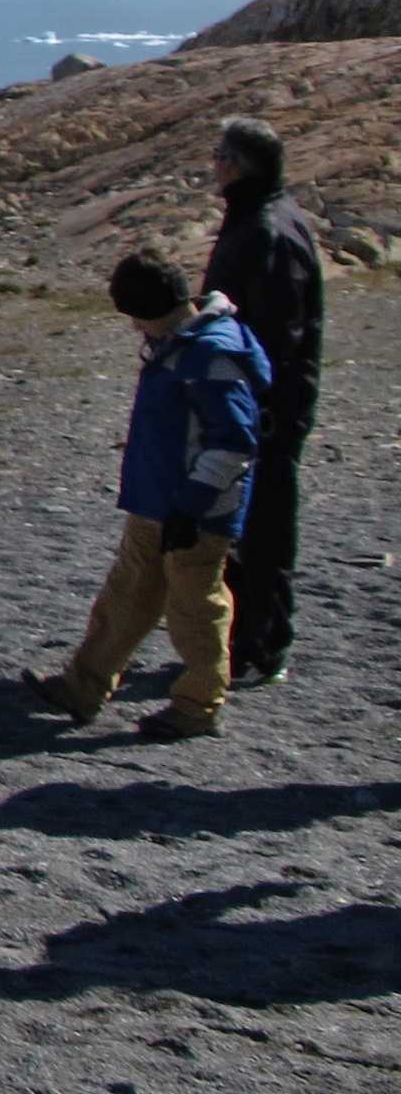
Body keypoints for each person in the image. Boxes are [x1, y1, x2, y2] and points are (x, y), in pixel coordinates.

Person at [27, 252, 271, 742]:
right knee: (127, 596)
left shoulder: (209, 355)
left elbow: (234, 441)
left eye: (135, 316)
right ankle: (83, 686)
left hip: (194, 513)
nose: (135, 327)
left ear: (148, 308)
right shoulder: (181, 347)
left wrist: (194, 504)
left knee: (195, 608)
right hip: (158, 502)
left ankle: (199, 704)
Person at [200, 116, 323, 687]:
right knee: (241, 524)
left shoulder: (268, 230)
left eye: (221, 153)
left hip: (263, 407)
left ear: (239, 166)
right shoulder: (256, 219)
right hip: (251, 400)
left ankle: (262, 645)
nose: (213, 161)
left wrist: (260, 404)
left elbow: (278, 332)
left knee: (264, 527)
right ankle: (241, 639)